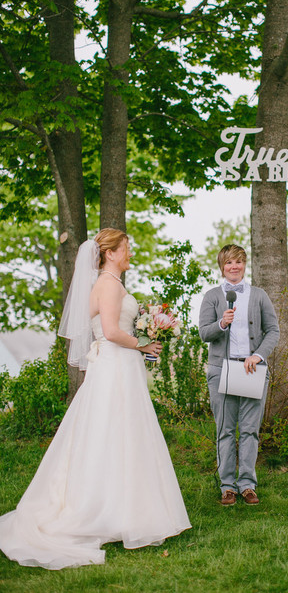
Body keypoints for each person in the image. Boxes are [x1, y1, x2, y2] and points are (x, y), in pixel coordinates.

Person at [0, 229, 191, 569]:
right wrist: (144, 344)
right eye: (126, 247)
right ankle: (107, 511)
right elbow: (113, 331)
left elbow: (103, 324)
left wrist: (142, 333)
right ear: (110, 253)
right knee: (116, 433)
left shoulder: (107, 284)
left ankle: (119, 507)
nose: (130, 252)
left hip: (115, 365)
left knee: (112, 433)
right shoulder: (108, 284)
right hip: (116, 366)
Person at [199, 244, 279, 506]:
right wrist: (222, 323)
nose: (234, 267)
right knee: (225, 430)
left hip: (252, 369)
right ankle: (227, 487)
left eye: (238, 262)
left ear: (245, 265)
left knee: (249, 431)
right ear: (222, 267)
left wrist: (258, 355)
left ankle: (247, 484)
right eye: (229, 262)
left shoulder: (259, 295)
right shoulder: (212, 296)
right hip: (221, 370)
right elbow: (204, 333)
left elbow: (273, 331)